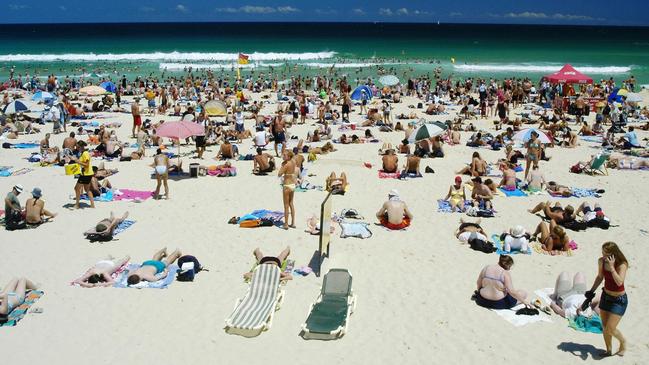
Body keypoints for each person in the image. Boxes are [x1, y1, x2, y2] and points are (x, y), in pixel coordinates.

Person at [583, 242, 628, 357]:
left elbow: (619, 282)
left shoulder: (622, 264)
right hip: (606, 297)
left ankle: (623, 342)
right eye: (602, 253)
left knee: (611, 329)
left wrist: (612, 267)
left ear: (614, 254)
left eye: (606, 254)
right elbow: (600, 277)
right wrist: (591, 291)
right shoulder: (601, 261)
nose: (603, 256)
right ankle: (608, 350)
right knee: (604, 327)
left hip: (619, 300)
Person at [277, 150, 297, 230]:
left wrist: (282, 166)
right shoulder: (293, 162)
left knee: (286, 206)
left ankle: (286, 224)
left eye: (285, 155)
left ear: (288, 156)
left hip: (287, 185)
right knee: (291, 203)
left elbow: (279, 174)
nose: (283, 156)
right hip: (292, 184)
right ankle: (293, 223)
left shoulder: (286, 164)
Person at [73, 141, 95, 209]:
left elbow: (86, 164)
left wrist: (78, 161)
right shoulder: (83, 153)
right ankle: (92, 205)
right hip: (87, 173)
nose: (77, 148)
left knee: (76, 188)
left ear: (81, 147)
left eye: (78, 147)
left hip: (86, 174)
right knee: (87, 189)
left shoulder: (85, 153)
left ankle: (77, 204)